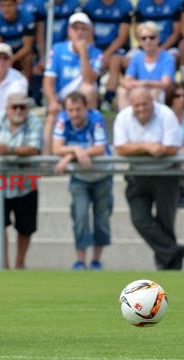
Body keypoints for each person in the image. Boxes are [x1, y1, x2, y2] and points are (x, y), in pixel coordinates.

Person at [114, 86, 184, 270]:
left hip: (165, 174)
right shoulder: (123, 117)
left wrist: (137, 148)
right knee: (140, 219)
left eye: (144, 104)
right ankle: (174, 252)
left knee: (166, 221)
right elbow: (121, 148)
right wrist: (148, 147)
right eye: (137, 105)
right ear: (131, 105)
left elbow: (171, 147)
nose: (141, 109)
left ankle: (168, 266)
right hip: (137, 174)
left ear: (152, 102)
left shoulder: (166, 114)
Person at [0, 92, 42, 269]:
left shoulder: (35, 122)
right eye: (14, 107)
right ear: (7, 108)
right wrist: (13, 150)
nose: (18, 110)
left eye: (22, 107)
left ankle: (19, 263)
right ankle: (4, 265)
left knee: (26, 228)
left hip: (25, 185)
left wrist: (6, 149)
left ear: (27, 108)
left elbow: (33, 148)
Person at [53, 91, 113, 270]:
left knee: (102, 218)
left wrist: (71, 153)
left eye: (78, 109)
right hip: (79, 176)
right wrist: (76, 151)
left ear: (86, 108)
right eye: (70, 109)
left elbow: (100, 148)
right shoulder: (63, 119)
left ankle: (96, 261)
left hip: (102, 175)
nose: (74, 114)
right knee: (80, 216)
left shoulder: (96, 118)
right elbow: (56, 148)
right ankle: (80, 261)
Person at [43, 12, 103, 155]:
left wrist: (83, 53)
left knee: (89, 89)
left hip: (84, 100)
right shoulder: (57, 49)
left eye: (84, 29)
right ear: (69, 31)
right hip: (62, 98)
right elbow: (48, 80)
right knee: (52, 114)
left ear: (90, 32)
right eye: (76, 29)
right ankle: (45, 158)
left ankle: (90, 146)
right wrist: (52, 101)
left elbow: (89, 79)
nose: (80, 33)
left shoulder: (97, 54)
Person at [116, 21, 175, 111]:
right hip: (139, 90)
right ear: (139, 41)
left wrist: (145, 83)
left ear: (158, 38)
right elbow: (127, 79)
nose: (148, 41)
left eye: (152, 37)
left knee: (153, 92)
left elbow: (165, 83)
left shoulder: (167, 57)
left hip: (160, 92)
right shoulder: (136, 57)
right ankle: (126, 122)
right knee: (122, 91)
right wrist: (134, 84)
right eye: (143, 38)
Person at [164, 84, 184, 207]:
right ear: (170, 97)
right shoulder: (163, 115)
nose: (182, 99)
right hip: (168, 152)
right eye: (178, 96)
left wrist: (183, 151)